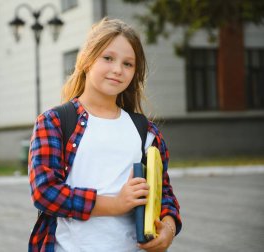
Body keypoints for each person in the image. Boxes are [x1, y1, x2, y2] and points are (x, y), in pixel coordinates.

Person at [28, 17, 182, 252]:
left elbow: (164, 194)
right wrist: (115, 204)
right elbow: (45, 192)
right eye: (108, 58)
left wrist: (168, 229)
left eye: (128, 64)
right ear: (87, 60)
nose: (117, 70)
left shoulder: (146, 132)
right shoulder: (55, 122)